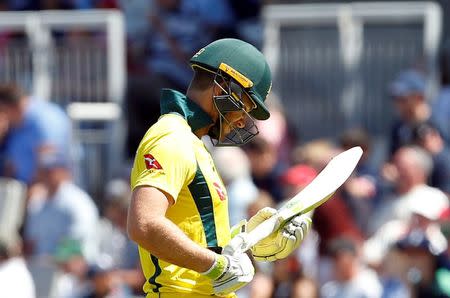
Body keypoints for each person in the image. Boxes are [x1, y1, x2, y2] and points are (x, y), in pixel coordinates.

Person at [126, 38, 312, 297]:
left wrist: (257, 235)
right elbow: (143, 224)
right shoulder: (171, 138)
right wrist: (214, 266)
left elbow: (204, 239)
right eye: (245, 106)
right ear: (222, 87)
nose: (242, 120)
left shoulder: (194, 144)